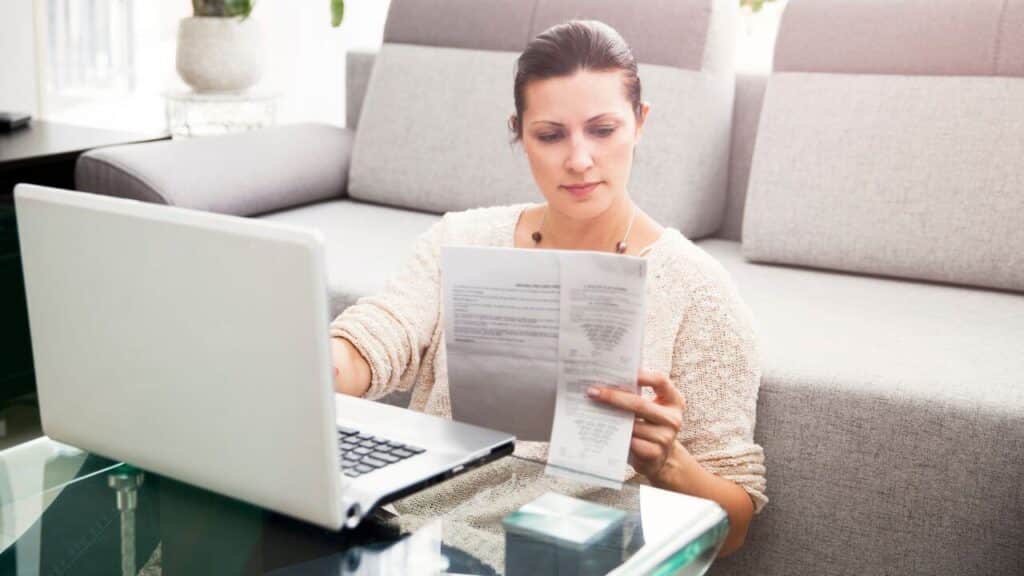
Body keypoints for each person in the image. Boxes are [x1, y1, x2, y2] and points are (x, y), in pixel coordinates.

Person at [329, 20, 766, 560]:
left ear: (640, 122)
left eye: (602, 130)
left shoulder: (699, 291)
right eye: (551, 135)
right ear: (519, 133)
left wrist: (667, 462)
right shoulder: (461, 238)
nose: (579, 160)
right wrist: (326, 365)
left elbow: (735, 526)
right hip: (414, 541)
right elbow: (381, 333)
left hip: (564, 557)